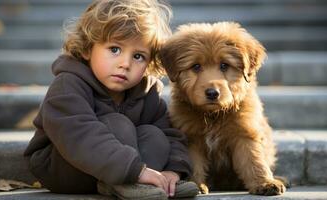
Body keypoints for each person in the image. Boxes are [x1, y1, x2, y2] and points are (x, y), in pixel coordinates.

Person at [23, 0, 198, 199]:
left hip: (126, 168)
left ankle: (156, 184)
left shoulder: (147, 92)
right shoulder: (68, 85)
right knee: (118, 123)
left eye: (139, 56)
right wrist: (136, 170)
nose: (125, 64)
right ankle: (127, 182)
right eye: (115, 49)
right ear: (88, 48)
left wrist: (173, 170)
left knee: (154, 134)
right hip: (63, 167)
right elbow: (80, 136)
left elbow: (170, 134)